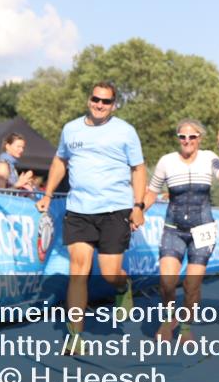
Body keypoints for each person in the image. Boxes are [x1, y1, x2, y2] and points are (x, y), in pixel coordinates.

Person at [35, 82, 147, 355]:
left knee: (110, 273)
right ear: (88, 100)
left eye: (106, 101)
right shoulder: (71, 129)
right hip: (78, 210)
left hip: (114, 210)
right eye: (96, 99)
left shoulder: (125, 131)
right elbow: (60, 161)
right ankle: (75, 336)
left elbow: (139, 168)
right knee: (78, 271)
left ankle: (123, 286)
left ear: (114, 105)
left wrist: (138, 205)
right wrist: (47, 194)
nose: (100, 105)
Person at [142, 119, 219, 343]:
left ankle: (185, 326)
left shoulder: (209, 157)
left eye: (192, 137)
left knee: (192, 284)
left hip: (203, 228)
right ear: (178, 139)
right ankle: (169, 317)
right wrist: (138, 211)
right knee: (166, 281)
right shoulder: (167, 161)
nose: (187, 141)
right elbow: (152, 192)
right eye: (182, 137)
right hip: (174, 228)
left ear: (199, 139)